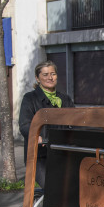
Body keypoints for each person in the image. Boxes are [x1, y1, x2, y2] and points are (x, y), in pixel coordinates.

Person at [19, 61, 74, 189]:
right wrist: (36, 136)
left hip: (63, 152)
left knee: (72, 188)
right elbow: (24, 124)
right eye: (45, 74)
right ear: (37, 78)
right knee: (52, 189)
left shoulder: (65, 99)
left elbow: (76, 122)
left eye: (53, 74)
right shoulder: (30, 98)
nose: (50, 78)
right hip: (40, 155)